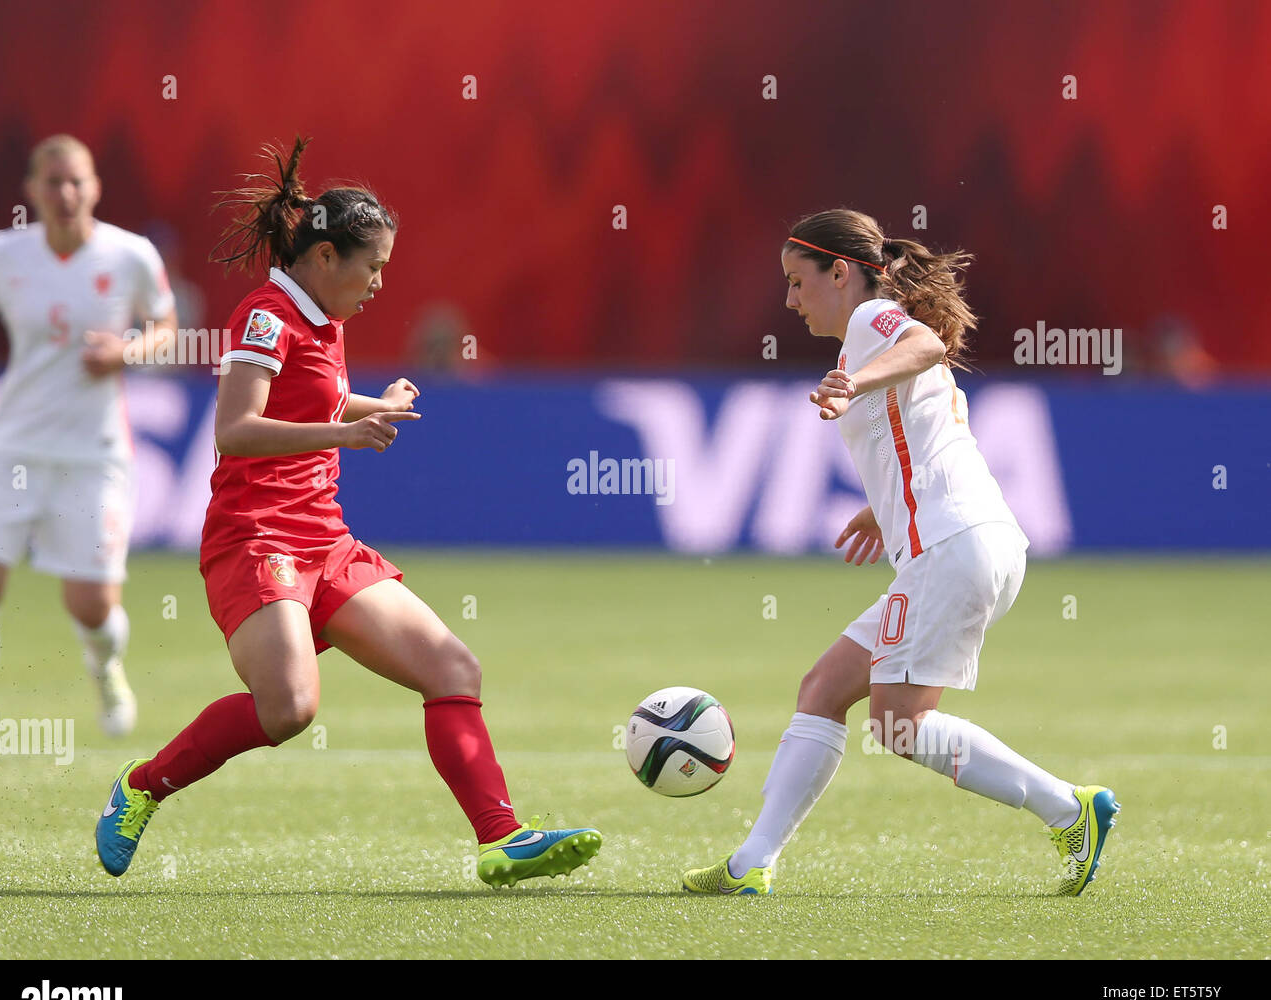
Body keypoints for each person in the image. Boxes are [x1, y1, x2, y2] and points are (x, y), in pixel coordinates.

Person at [94, 138, 601, 887]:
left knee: (452, 668)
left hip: (324, 542)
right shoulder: (266, 316)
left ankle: (502, 836)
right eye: (374, 267)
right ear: (326, 256)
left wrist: (373, 403)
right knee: (290, 709)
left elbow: (313, 396)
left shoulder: (320, 314)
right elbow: (234, 429)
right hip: (255, 539)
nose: (380, 284)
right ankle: (140, 787)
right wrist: (346, 432)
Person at [682, 209, 1118, 896]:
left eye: (799, 282)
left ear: (842, 272)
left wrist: (855, 383)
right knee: (825, 689)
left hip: (953, 548)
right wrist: (881, 509)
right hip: (963, 544)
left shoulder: (870, 322)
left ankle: (1069, 807)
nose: (790, 300)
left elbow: (924, 344)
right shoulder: (861, 340)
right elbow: (921, 431)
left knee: (898, 725)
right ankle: (751, 863)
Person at [0, 135, 177, 756]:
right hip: (13, 447)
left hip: (94, 452)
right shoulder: (4, 255)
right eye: (53, 181)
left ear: (95, 187)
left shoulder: (131, 255)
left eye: (77, 181)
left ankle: (105, 668)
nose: (65, 193)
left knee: (90, 604)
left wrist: (127, 351)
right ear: (31, 190)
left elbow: (166, 329)